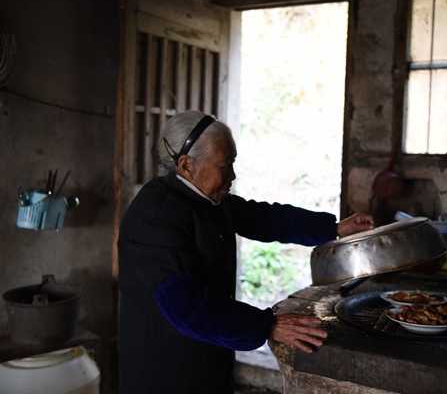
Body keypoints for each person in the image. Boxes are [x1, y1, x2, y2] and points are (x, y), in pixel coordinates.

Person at [117, 110, 374, 393]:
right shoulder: (156, 216)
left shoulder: (208, 200)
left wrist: (334, 228)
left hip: (207, 355)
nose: (232, 175)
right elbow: (186, 307)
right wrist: (267, 325)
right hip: (165, 369)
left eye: (232, 164)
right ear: (187, 165)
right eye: (224, 166)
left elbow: (265, 219)